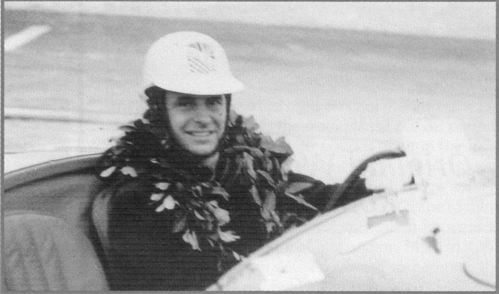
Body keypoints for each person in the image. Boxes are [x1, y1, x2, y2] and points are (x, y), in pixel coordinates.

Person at [94, 31, 368, 290]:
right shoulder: (137, 202)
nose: (203, 118)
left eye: (213, 101)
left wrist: (385, 179)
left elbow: (320, 198)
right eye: (186, 102)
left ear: (227, 106)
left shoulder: (246, 166)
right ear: (159, 110)